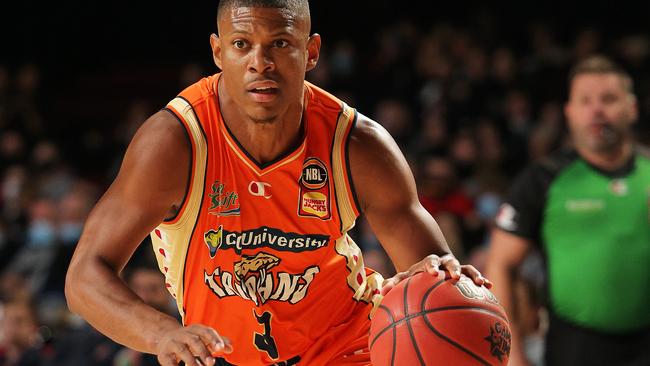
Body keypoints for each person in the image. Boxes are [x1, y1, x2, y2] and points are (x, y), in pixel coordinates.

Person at [65, 1, 490, 365]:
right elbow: (84, 276)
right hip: (223, 355)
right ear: (217, 51)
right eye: (241, 44)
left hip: (350, 349)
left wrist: (443, 280)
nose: (260, 63)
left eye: (280, 44)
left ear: (311, 51)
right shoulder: (175, 141)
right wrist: (162, 335)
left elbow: (430, 272)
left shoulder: (357, 144)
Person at [486, 55, 650, 366]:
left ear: (632, 108)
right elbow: (500, 264)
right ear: (570, 112)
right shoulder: (542, 179)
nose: (597, 109)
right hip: (575, 348)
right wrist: (512, 354)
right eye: (585, 101)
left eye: (609, 99)